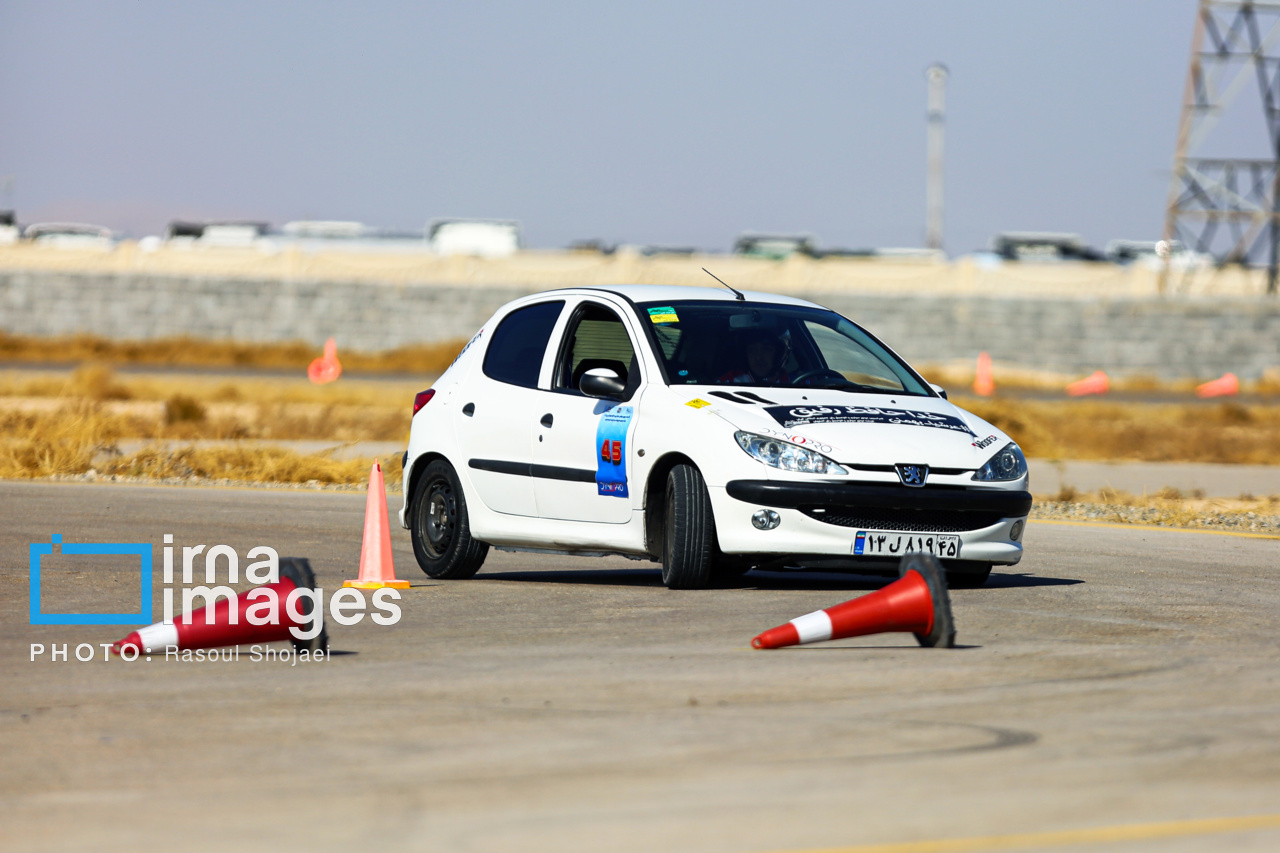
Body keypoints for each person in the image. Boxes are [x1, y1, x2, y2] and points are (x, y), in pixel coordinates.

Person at [720, 330, 790, 385]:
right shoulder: (729, 381)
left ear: (778, 354)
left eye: (766, 349)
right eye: (752, 350)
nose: (758, 357)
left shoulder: (793, 382)